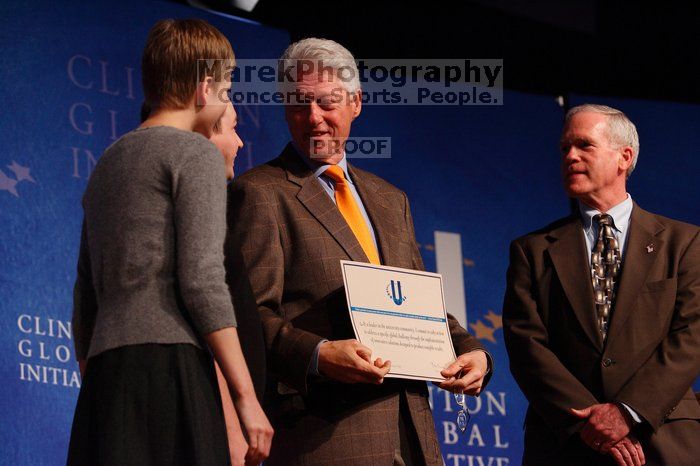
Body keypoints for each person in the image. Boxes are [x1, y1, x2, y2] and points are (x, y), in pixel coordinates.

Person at [225, 37, 492, 465]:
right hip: (326, 438)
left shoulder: (390, 200)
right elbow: (247, 317)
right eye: (298, 104)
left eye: (326, 103)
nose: (313, 118)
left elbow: (421, 307)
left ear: (356, 102)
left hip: (414, 436)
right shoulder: (259, 193)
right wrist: (317, 355)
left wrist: (472, 351)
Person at [68, 19, 272, 466]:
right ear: (203, 88)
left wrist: (104, 386)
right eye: (225, 90)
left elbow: (84, 301)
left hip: (105, 381)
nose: (224, 104)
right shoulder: (194, 153)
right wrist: (246, 399)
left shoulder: (108, 162)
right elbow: (202, 283)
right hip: (171, 375)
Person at [503, 104, 700, 466]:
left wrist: (627, 412)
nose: (570, 156)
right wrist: (591, 422)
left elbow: (692, 335)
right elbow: (526, 345)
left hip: (661, 440)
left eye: (584, 145)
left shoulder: (685, 243)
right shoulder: (531, 250)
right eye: (564, 148)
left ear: (624, 157)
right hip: (565, 443)